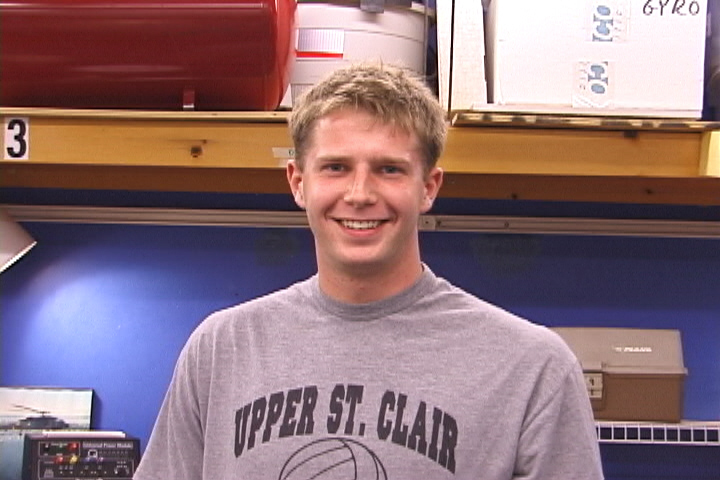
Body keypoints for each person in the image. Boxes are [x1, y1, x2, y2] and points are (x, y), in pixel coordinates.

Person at [134, 63, 604, 480]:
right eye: (336, 167)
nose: (359, 194)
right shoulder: (221, 351)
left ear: (429, 187)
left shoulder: (532, 368)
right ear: (298, 182)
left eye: (389, 170)